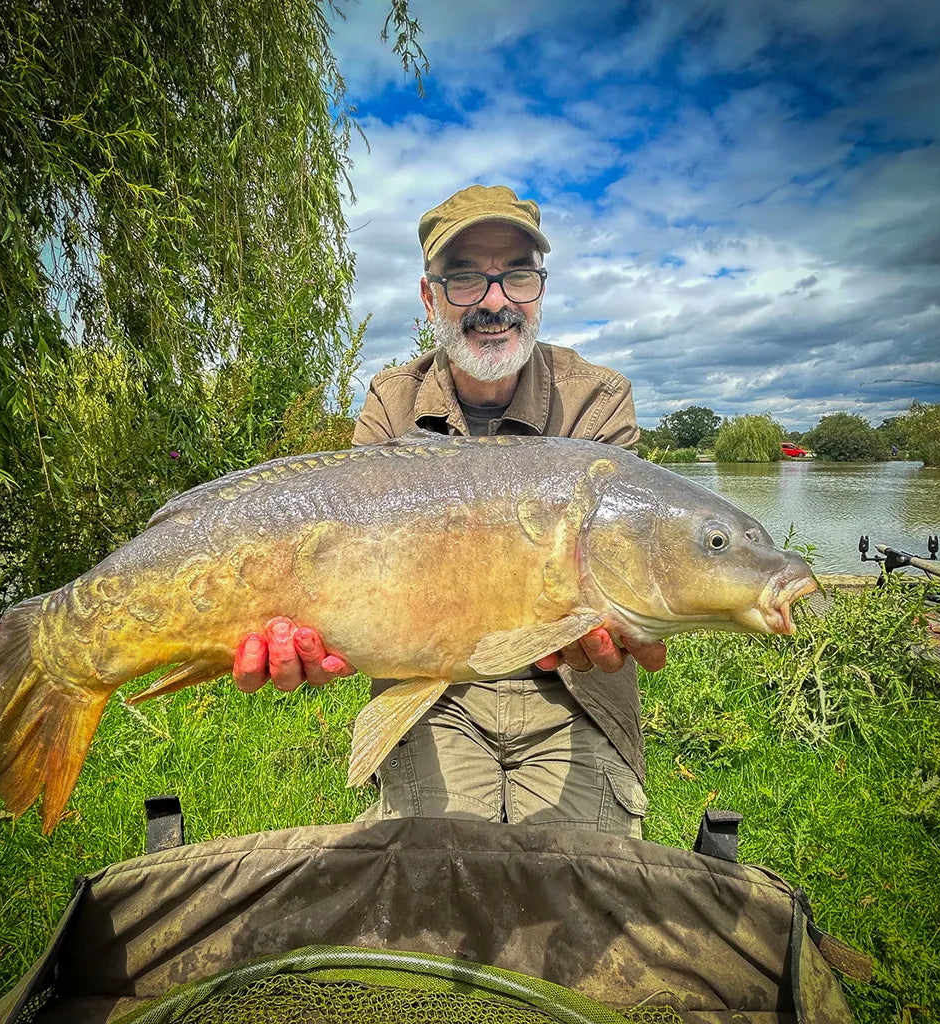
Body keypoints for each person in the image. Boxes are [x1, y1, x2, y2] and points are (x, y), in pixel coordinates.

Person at [232, 184, 666, 837]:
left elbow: (622, 583)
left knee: (573, 897)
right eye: (465, 279)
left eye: (516, 276)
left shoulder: (598, 400)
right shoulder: (391, 401)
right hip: (434, 692)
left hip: (576, 699)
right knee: (438, 879)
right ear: (430, 296)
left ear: (540, 289)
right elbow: (347, 584)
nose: (495, 302)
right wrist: (300, 630)